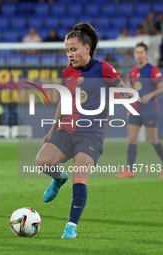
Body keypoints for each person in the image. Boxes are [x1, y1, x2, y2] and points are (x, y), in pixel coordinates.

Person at [35, 23, 136, 238]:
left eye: (73, 50)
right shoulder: (67, 72)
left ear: (86, 49)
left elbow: (125, 91)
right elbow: (64, 100)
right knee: (41, 162)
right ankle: (59, 178)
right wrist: (53, 128)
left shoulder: (104, 68)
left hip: (91, 134)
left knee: (79, 179)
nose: (70, 55)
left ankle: (71, 227)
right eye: (67, 51)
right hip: (66, 129)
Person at [115, 42, 163, 179]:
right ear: (134, 54)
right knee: (132, 139)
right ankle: (130, 170)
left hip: (149, 109)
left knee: (153, 139)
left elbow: (162, 88)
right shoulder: (133, 70)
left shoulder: (152, 69)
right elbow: (133, 87)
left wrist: (149, 95)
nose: (139, 55)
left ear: (146, 54)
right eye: (137, 52)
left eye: (141, 52)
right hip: (136, 110)